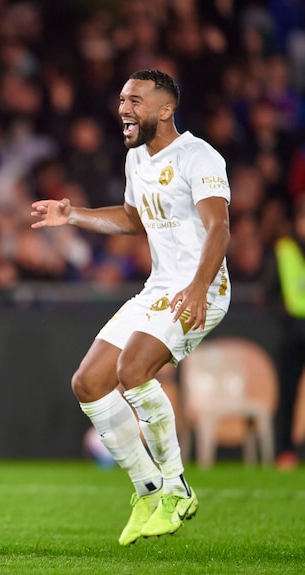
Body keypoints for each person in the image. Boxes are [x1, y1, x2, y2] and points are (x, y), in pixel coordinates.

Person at [30, 69, 232, 545]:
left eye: (135, 100)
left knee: (133, 368)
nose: (124, 108)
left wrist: (200, 287)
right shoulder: (136, 160)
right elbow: (132, 219)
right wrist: (73, 214)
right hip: (160, 286)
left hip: (202, 287)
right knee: (89, 382)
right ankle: (147, 490)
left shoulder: (198, 156)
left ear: (165, 109)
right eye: (122, 99)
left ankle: (177, 489)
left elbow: (219, 227)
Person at [263, 196, 305, 469]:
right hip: (293, 333)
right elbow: (269, 293)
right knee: (287, 394)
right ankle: (284, 452)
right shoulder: (284, 250)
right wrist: (286, 319)